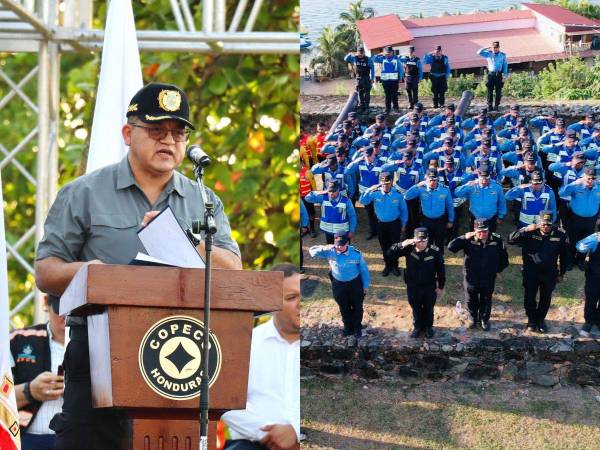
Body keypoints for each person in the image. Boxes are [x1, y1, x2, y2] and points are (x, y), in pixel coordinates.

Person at [34, 82, 242, 450]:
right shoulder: (84, 192)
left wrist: (185, 240)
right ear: (128, 134)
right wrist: (92, 273)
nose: (169, 141)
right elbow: (46, 272)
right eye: (157, 130)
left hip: (180, 350)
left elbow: (232, 271)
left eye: (178, 133)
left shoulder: (202, 200)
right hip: (98, 348)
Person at [221, 263, 300, 450]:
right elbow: (224, 401)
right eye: (291, 297)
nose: (300, 303)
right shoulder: (246, 344)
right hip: (252, 443)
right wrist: (268, 434)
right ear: (270, 303)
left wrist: (295, 432)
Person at [10, 294, 65, 450]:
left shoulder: (97, 343)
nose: (67, 315)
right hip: (25, 439)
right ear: (46, 302)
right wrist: (30, 391)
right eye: (60, 308)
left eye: (73, 308)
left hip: (79, 440)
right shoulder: (18, 340)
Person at [508, 211, 569, 333]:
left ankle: (541, 320)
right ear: (538, 222)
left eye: (548, 224)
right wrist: (524, 230)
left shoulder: (560, 235)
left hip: (549, 273)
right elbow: (511, 240)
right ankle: (531, 320)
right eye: (543, 224)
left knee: (545, 298)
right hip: (531, 272)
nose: (546, 227)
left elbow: (565, 256)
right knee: (529, 298)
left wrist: (562, 273)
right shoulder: (529, 232)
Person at [448, 219, 509, 330]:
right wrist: (463, 237)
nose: (482, 234)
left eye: (485, 231)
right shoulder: (468, 239)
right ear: (474, 230)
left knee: (486, 299)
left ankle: (484, 320)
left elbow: (504, 259)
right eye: (479, 231)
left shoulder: (497, 240)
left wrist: (498, 270)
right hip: (471, 277)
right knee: (471, 300)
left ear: (489, 230)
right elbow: (451, 247)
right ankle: (473, 319)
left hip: (488, 277)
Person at [309, 232, 370, 339]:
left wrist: (365, 286)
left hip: (355, 284)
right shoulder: (330, 251)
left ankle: (357, 328)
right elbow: (312, 252)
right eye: (337, 244)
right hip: (338, 285)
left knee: (357, 307)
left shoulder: (356, 254)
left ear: (347, 243)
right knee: (343, 307)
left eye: (341, 245)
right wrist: (325, 247)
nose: (339, 247)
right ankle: (347, 327)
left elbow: (364, 271)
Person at [387, 228, 445, 338]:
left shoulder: (435, 251)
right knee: (416, 307)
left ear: (428, 239)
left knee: (429, 308)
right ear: (414, 239)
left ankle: (428, 327)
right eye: (419, 240)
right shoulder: (408, 248)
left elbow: (441, 270)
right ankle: (417, 327)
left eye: (424, 240)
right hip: (413, 286)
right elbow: (389, 253)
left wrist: (441, 286)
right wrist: (403, 244)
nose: (421, 243)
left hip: (429, 286)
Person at [359, 172, 408, 276]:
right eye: (383, 183)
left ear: (391, 183)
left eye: (388, 183)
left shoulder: (398, 194)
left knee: (395, 246)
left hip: (395, 224)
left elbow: (404, 210)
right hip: (381, 225)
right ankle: (388, 266)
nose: (385, 185)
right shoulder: (375, 193)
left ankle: (395, 266)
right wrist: (368, 190)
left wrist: (403, 225)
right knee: (384, 246)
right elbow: (363, 201)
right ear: (380, 183)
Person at [559, 168, 600, 269]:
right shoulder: (576, 186)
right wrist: (573, 183)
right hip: (575, 218)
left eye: (593, 178)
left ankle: (580, 261)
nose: (591, 181)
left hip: (591, 219)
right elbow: (562, 193)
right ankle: (569, 261)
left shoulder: (598, 187)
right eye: (588, 178)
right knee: (572, 240)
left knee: (586, 240)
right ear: (584, 177)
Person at [405, 168, 454, 251]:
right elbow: (407, 196)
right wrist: (417, 185)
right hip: (426, 220)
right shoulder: (421, 188)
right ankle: (429, 261)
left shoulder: (445, 189)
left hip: (440, 220)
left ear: (438, 179)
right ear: (426, 179)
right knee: (427, 242)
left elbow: (450, 206)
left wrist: (451, 220)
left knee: (439, 243)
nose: (432, 182)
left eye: (434, 180)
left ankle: (439, 261)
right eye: (430, 180)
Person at [454, 166, 506, 232]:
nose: (484, 182)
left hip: (491, 218)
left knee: (490, 237)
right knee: (474, 239)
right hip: (475, 217)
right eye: (482, 179)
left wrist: (500, 216)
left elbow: (502, 202)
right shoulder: (472, 185)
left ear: (490, 177)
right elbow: (457, 193)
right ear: (478, 176)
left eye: (487, 179)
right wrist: (467, 185)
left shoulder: (497, 187)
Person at [304, 180, 357, 245]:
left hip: (342, 233)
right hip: (328, 232)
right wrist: (321, 192)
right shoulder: (323, 198)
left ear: (338, 190)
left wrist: (351, 231)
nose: (331, 193)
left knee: (341, 251)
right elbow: (307, 198)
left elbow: (352, 216)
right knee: (331, 250)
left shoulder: (347, 201)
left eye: (334, 191)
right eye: (330, 191)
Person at [576, 232, 600, 336]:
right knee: (591, 299)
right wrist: (592, 239)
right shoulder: (596, 239)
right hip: (595, 276)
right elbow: (580, 246)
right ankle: (589, 322)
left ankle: (598, 322)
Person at [477, 41, 508, 111]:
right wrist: (487, 48)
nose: (495, 49)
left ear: (499, 47)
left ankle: (496, 106)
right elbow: (478, 52)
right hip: (491, 74)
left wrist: (505, 76)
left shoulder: (503, 55)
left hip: (499, 75)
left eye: (496, 47)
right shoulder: (488, 54)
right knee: (489, 91)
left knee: (498, 91)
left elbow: (505, 65)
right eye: (494, 48)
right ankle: (489, 106)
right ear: (492, 47)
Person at [372, 46, 404, 113]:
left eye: (389, 53)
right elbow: (373, 59)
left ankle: (396, 108)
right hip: (385, 81)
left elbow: (401, 69)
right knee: (387, 95)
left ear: (392, 52)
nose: (388, 54)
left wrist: (401, 78)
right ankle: (387, 108)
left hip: (394, 80)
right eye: (386, 53)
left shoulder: (396, 59)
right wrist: (380, 54)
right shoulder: (382, 58)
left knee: (394, 95)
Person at [344, 46, 375, 111]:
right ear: (357, 52)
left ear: (364, 52)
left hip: (366, 77)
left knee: (367, 91)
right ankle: (361, 104)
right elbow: (345, 59)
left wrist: (372, 78)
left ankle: (367, 105)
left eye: (362, 53)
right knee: (360, 91)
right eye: (359, 53)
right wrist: (351, 54)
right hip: (358, 78)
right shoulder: (354, 58)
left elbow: (372, 69)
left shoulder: (368, 59)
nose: (360, 54)